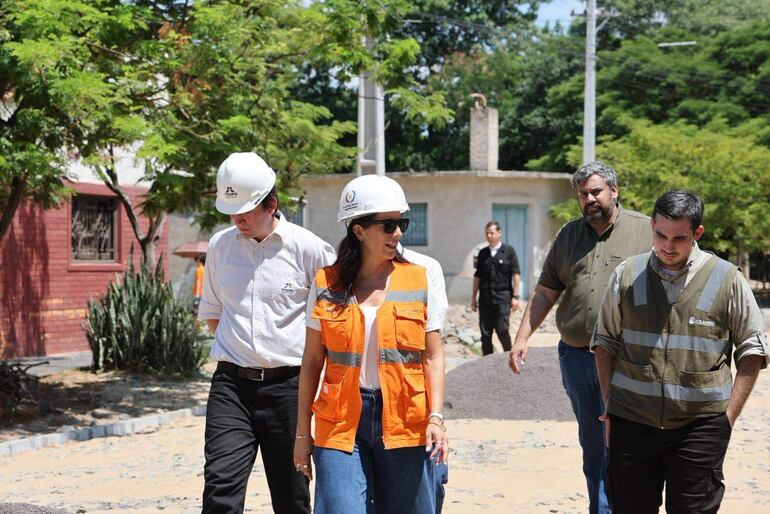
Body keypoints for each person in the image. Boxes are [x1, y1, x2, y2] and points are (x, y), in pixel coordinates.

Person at [592, 190, 768, 513]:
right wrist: (609, 407)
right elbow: (604, 343)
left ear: (697, 233)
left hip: (699, 429)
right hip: (632, 424)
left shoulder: (727, 280)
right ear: (651, 226)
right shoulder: (628, 276)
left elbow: (753, 350)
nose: (667, 246)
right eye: (660, 235)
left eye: (679, 238)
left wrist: (726, 420)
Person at [293, 174, 448, 514]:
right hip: (341, 422)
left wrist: (435, 418)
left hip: (405, 420)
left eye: (402, 223)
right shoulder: (326, 282)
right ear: (359, 230)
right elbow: (311, 361)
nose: (399, 233)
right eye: (389, 225)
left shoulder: (419, 277)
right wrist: (302, 433)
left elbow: (433, 357)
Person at [509, 161, 651, 514]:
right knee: (593, 443)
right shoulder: (569, 236)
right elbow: (545, 292)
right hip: (576, 359)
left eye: (596, 192)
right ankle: (600, 507)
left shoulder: (644, 231)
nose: (589, 199)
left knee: (625, 440)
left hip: (627, 359)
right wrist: (522, 337)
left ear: (614, 191)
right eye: (582, 194)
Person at [197, 152, 336, 514]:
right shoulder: (220, 247)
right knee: (220, 488)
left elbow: (331, 326)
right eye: (232, 210)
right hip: (231, 387)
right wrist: (243, 349)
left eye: (245, 210)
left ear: (271, 203)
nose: (237, 219)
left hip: (288, 389)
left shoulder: (311, 250)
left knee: (292, 494)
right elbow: (214, 314)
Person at [471, 221, 521, 355]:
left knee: (502, 330)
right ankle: (487, 363)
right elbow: (477, 276)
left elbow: (516, 275)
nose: (489, 235)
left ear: (499, 233)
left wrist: (515, 297)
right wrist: (473, 297)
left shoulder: (509, 251)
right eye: (487, 233)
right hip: (485, 300)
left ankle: (510, 358)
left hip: (502, 299)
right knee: (485, 334)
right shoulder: (482, 253)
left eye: (491, 233)